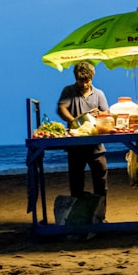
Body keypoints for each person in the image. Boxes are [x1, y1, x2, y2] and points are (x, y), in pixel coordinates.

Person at [57, 61, 110, 199]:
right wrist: (74, 121)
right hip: (76, 148)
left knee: (101, 184)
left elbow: (108, 116)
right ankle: (79, 217)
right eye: (81, 81)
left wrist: (100, 113)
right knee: (76, 185)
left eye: (87, 81)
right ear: (76, 79)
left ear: (92, 78)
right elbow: (62, 108)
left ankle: (100, 216)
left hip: (96, 147)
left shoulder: (99, 94)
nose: (85, 84)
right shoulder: (69, 91)